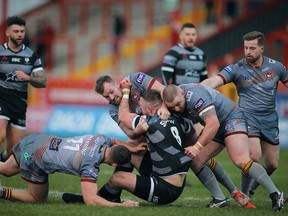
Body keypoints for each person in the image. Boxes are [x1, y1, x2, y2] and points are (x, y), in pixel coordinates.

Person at [95, 73, 254, 208]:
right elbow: (132, 134)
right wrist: (139, 131)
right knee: (195, 156)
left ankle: (230, 192)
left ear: (117, 84)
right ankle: (226, 195)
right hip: (158, 130)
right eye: (106, 96)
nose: (111, 97)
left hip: (164, 121)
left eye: (110, 92)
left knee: (199, 156)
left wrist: (162, 106)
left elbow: (164, 91)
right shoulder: (113, 108)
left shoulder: (136, 79)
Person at [162, 83, 288, 212]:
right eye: (172, 107)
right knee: (195, 161)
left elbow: (213, 124)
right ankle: (220, 199)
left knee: (241, 160)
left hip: (231, 119)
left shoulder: (195, 96)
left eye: (178, 104)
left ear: (182, 93)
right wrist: (163, 107)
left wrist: (197, 147)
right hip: (217, 124)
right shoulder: (175, 96)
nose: (177, 109)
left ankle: (276, 194)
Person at [201, 31, 288, 197]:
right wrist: (198, 88)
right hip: (246, 118)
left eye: (252, 48)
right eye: (246, 47)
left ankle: (253, 187)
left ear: (262, 48)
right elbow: (214, 81)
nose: (248, 51)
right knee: (254, 156)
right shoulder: (237, 68)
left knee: (272, 164)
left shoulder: (276, 67)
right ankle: (246, 193)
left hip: (270, 119)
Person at [0, 133, 141, 207]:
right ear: (114, 165)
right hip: (34, 157)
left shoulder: (100, 139)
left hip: (36, 139)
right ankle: (2, 192)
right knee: (37, 199)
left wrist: (132, 148)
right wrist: (122, 205)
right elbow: (91, 200)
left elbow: (115, 141)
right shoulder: (89, 165)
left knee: (6, 170)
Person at [0, 16, 47, 162]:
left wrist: (29, 78)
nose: (20, 34)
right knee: (0, 135)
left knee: (13, 153)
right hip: (2, 98)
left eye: (22, 31)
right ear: (7, 33)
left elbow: (43, 81)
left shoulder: (31, 55)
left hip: (19, 104)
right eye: (16, 31)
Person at [161, 23, 207, 134]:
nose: (191, 37)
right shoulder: (172, 53)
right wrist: (167, 101)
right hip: (179, 101)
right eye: (187, 34)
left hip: (196, 99)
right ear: (181, 36)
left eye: (193, 34)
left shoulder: (201, 54)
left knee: (202, 133)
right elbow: (165, 78)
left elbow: (205, 79)